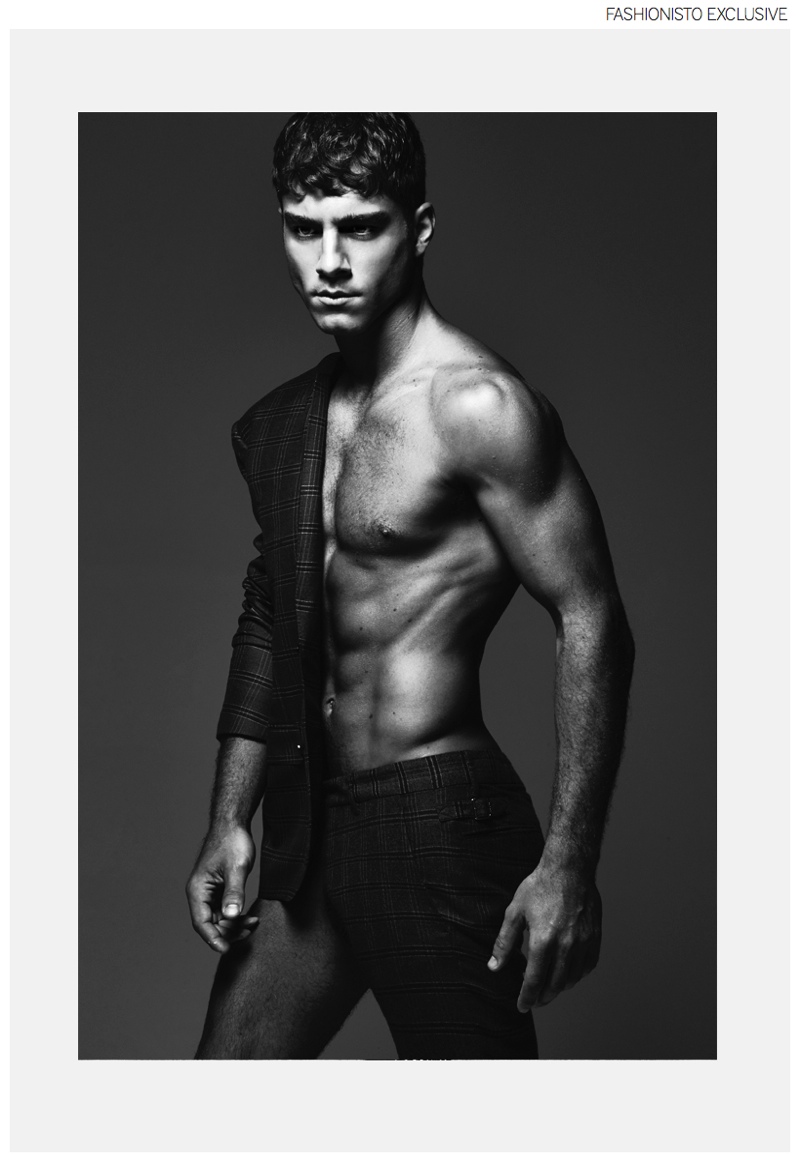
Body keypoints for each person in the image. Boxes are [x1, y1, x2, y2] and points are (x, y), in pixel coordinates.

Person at [185, 112, 635, 1060]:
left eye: (361, 227)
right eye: (304, 229)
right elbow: (271, 619)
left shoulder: (476, 408)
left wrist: (570, 863)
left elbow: (591, 615)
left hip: (438, 815)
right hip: (314, 822)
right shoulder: (287, 423)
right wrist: (230, 815)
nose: (330, 261)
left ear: (419, 229)